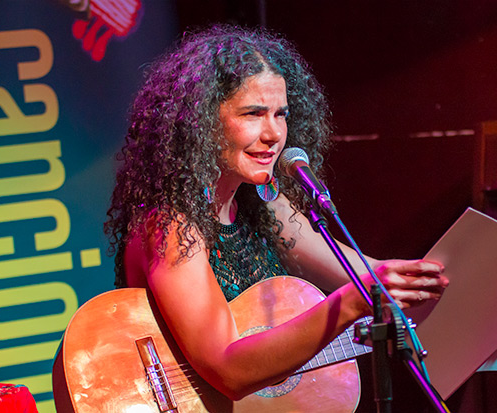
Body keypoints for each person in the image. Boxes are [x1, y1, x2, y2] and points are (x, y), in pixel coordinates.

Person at [104, 24, 448, 403]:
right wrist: (351, 302)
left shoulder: (263, 204)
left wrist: (435, 282)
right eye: (253, 114)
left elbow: (366, 274)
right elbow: (228, 369)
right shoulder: (171, 224)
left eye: (281, 114)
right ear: (200, 123)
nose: (274, 134)